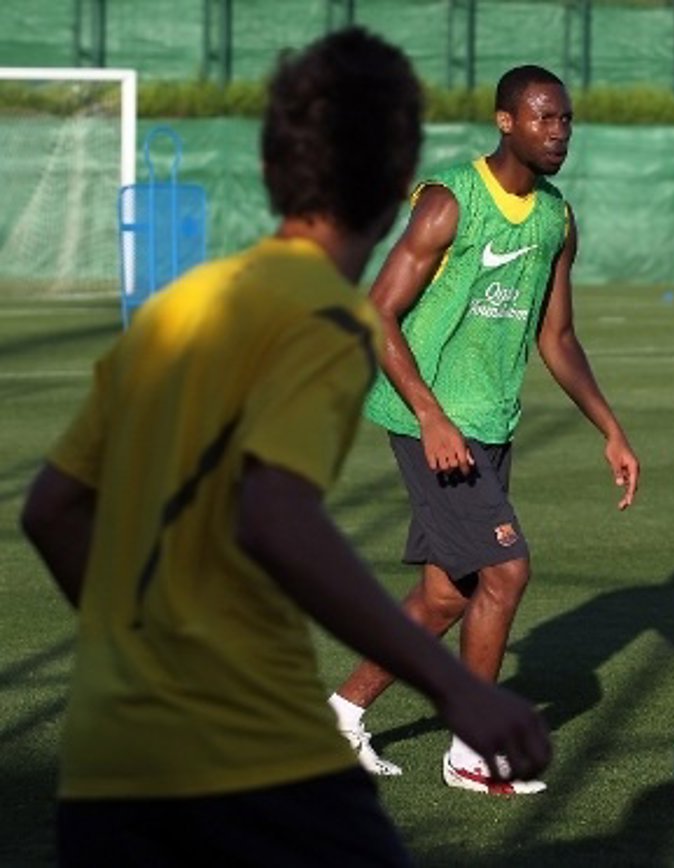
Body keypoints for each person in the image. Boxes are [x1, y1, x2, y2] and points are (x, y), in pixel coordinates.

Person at [19, 29, 550, 867]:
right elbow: (275, 520)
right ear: (399, 188)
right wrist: (457, 688)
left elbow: (50, 510)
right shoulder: (318, 316)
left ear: (270, 172)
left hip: (110, 757)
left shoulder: (180, 304)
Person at [327, 64, 640, 796]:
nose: (559, 132)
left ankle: (341, 714)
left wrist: (610, 428)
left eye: (566, 119)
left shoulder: (557, 219)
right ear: (506, 122)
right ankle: (473, 750)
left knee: (448, 594)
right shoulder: (451, 201)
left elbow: (557, 337)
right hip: (429, 418)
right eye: (543, 118)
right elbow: (376, 311)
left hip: (491, 420)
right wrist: (431, 416)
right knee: (506, 571)